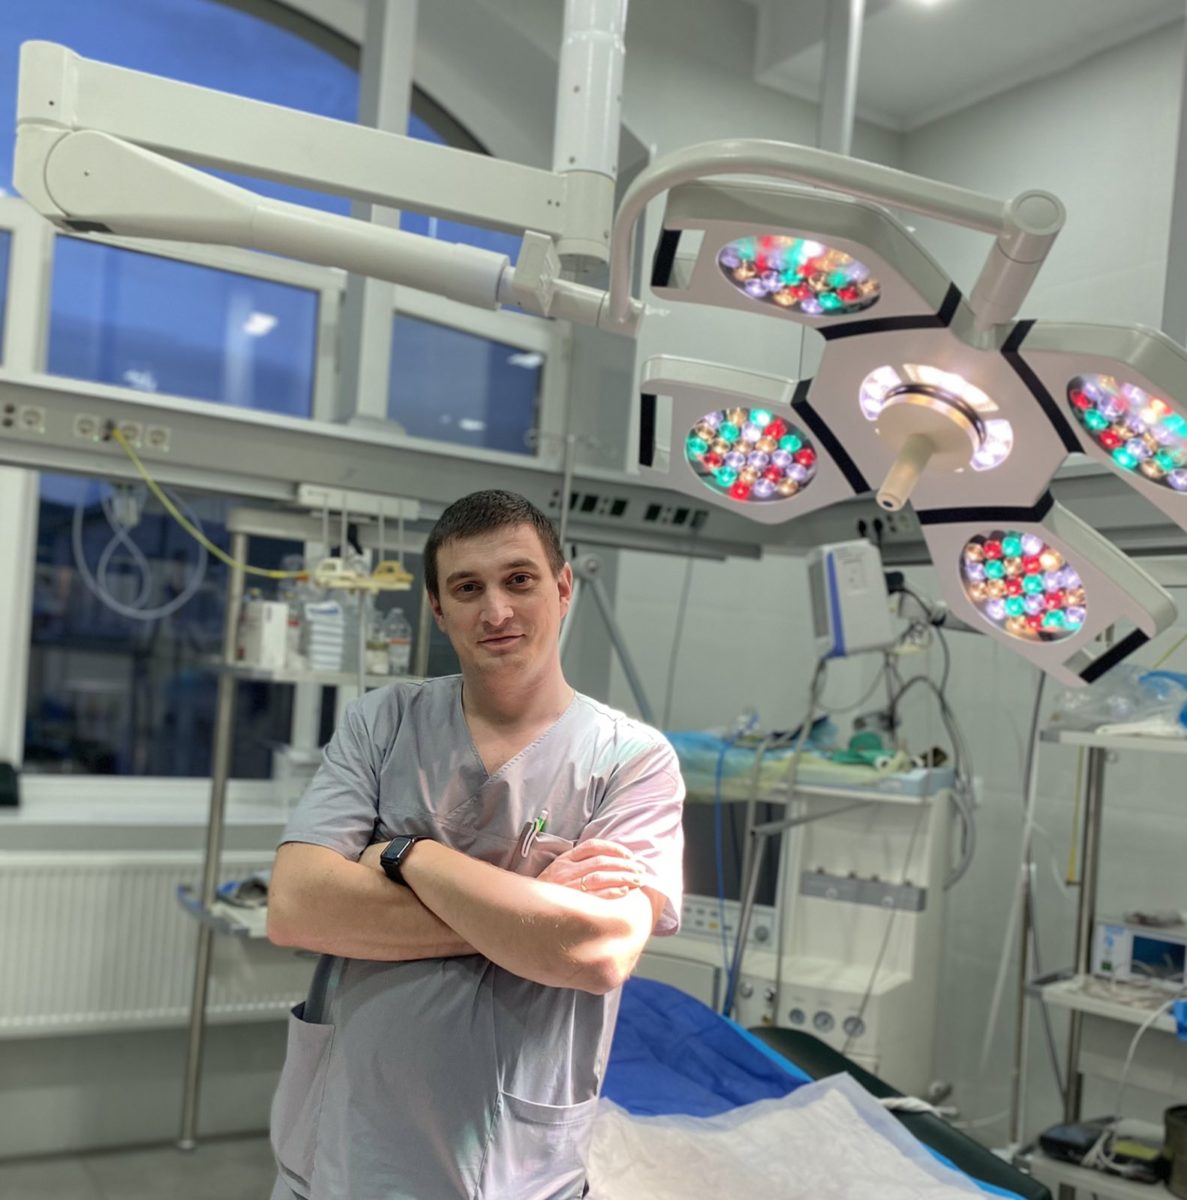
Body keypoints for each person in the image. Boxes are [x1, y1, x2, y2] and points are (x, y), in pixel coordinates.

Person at [266, 489, 685, 1200]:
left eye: (518, 580)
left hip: (514, 1165)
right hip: (345, 1143)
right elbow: (296, 908)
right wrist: (539, 913)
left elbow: (597, 952)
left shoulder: (632, 760)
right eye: (467, 588)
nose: (495, 611)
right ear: (437, 609)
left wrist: (409, 858)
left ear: (560, 588)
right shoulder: (383, 723)